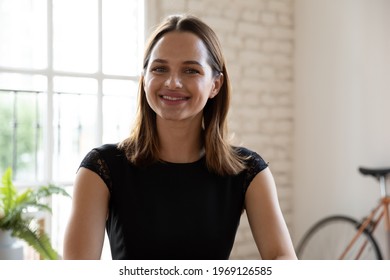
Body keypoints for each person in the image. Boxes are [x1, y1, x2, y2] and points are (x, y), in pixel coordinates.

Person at [63, 14, 297, 260]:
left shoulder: (249, 171)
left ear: (215, 85)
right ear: (144, 80)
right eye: (160, 68)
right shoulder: (101, 169)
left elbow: (282, 260)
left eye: (190, 70)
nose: (172, 82)